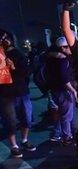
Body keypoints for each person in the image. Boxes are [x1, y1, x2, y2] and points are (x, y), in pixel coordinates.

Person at [0, 29, 36, 157]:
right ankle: (14, 146)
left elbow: (26, 72)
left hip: (21, 92)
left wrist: (14, 67)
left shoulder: (17, 53)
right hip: (4, 94)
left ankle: (24, 140)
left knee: (27, 118)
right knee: (10, 122)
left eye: (6, 38)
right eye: (2, 38)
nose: (5, 40)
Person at [45, 37, 78, 144]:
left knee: (66, 113)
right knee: (67, 115)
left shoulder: (51, 58)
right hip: (64, 91)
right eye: (69, 46)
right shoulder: (63, 60)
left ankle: (64, 133)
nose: (71, 48)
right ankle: (67, 137)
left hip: (55, 90)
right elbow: (64, 78)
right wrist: (73, 90)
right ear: (63, 48)